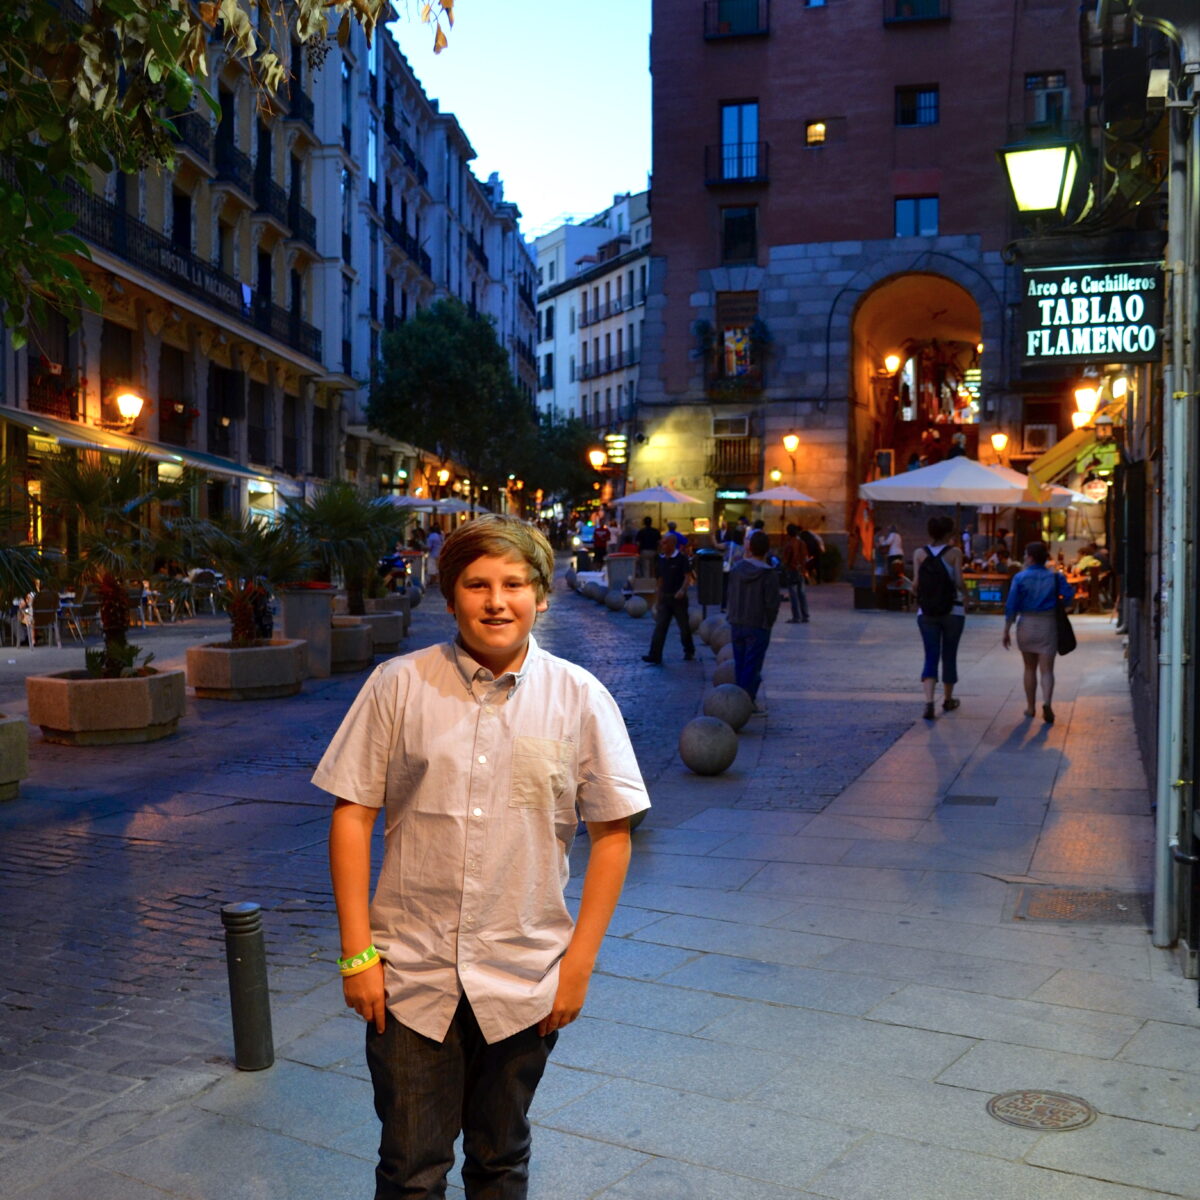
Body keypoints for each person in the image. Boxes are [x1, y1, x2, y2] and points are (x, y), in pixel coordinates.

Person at [317, 515, 649, 1200]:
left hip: (525, 975)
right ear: (450, 596)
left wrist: (577, 969)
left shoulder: (581, 698)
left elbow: (612, 834)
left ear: (542, 595)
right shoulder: (397, 684)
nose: (496, 601)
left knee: (501, 1160)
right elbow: (352, 812)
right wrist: (357, 954)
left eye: (514, 584)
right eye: (477, 584)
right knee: (411, 1167)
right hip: (410, 973)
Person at [1003, 540, 1074, 724]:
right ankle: (1048, 703)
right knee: (1047, 670)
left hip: (1026, 623)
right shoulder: (1055, 577)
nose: (1024, 557)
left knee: (1029, 668)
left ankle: (1030, 707)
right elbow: (1068, 596)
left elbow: (1011, 606)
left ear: (1031, 557)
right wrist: (1060, 605)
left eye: (1026, 554)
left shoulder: (1019, 578)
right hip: (1048, 623)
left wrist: (1006, 630)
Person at [911, 515, 965, 721]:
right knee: (949, 655)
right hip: (953, 611)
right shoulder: (955, 553)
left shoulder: (919, 553)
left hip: (926, 613)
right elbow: (959, 581)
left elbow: (916, 584)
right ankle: (948, 699)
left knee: (930, 654)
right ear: (949, 532)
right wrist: (966, 596)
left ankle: (928, 702)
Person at [725, 529, 780, 712]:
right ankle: (745, 703)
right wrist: (769, 622)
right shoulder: (769, 574)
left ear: (750, 547)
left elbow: (730, 595)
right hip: (758, 624)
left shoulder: (737, 569)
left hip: (737, 622)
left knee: (740, 664)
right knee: (752, 666)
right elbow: (771, 603)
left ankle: (739, 702)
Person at [643, 532, 696, 664]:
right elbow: (660, 579)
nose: (662, 545)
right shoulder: (660, 559)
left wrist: (682, 590)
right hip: (665, 597)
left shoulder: (681, 558)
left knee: (684, 627)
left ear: (672, 544)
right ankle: (655, 654)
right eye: (662, 542)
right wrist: (657, 598)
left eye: (665, 543)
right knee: (660, 626)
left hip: (678, 598)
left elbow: (687, 576)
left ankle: (689, 650)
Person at [781, 523, 810, 623]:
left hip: (792, 571)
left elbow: (786, 560)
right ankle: (805, 615)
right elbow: (806, 557)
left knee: (793, 594)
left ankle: (796, 616)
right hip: (801, 570)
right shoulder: (802, 543)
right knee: (802, 593)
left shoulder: (789, 544)